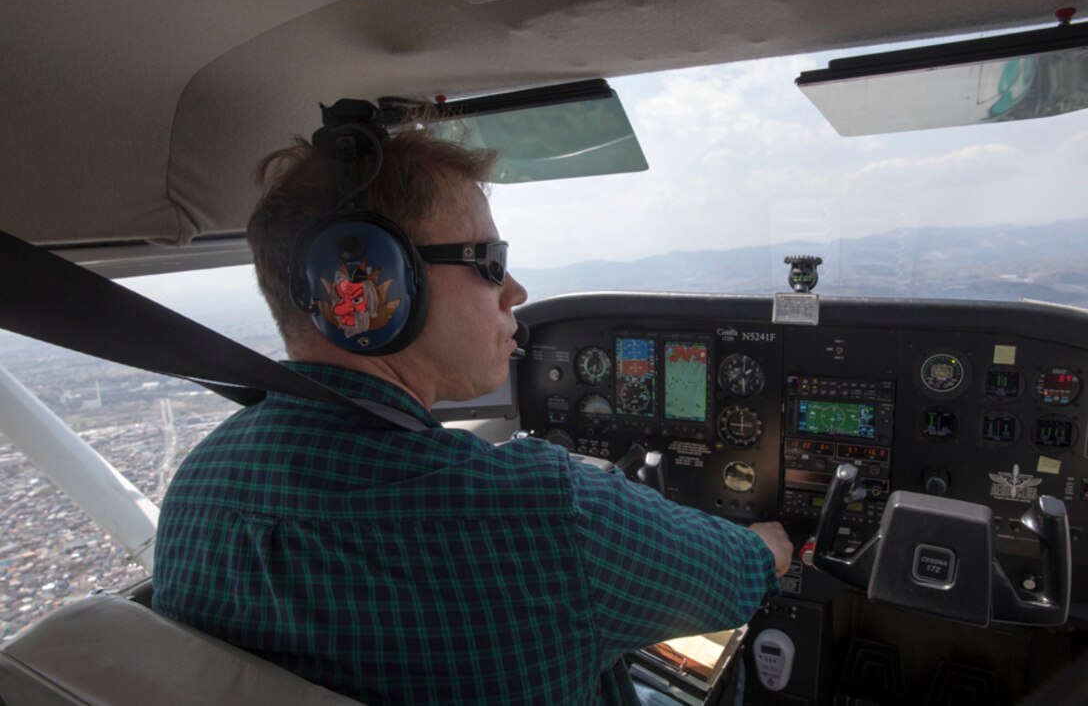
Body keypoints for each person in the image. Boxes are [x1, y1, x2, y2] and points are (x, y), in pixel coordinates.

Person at [151, 119, 793, 705]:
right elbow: (742, 575)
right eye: (490, 262)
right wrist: (774, 539)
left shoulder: (198, 486)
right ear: (381, 283)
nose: (516, 292)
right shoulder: (547, 514)